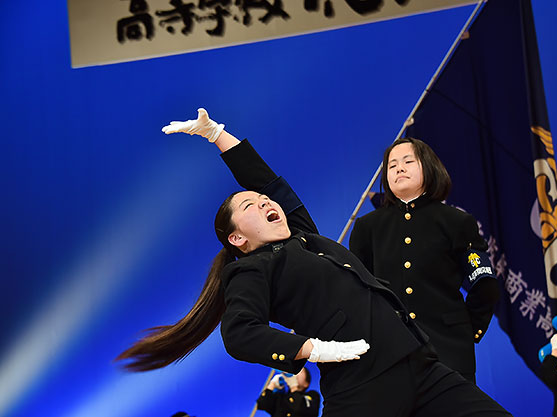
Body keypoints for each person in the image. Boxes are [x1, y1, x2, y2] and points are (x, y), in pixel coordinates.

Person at [116, 108, 511, 417]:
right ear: (238, 239)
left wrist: (216, 135)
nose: (265, 202)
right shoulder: (249, 269)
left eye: (263, 201)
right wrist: (311, 349)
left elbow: (269, 182)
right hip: (364, 385)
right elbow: (239, 334)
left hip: (418, 362)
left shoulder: (303, 234)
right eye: (250, 206)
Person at [349, 137, 499, 382]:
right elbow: (356, 291)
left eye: (408, 161)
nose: (399, 168)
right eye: (392, 165)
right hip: (387, 356)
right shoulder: (367, 227)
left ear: (429, 167)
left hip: (449, 354)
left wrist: (466, 331)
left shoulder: (456, 222)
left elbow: (484, 283)